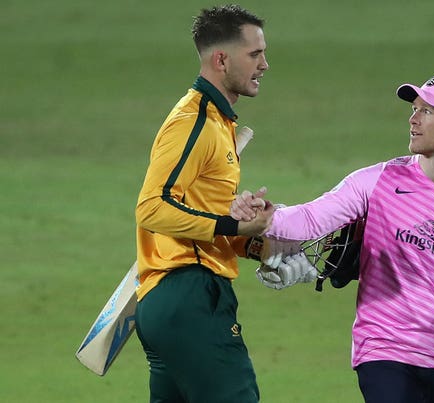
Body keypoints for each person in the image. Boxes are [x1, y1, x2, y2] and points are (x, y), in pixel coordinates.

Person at [233, 73, 434, 403]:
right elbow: (311, 218)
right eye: (414, 108)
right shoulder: (379, 180)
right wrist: (265, 217)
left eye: (428, 111)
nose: (413, 119)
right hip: (383, 351)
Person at [133, 5, 275, 402]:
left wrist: (259, 244)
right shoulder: (193, 121)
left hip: (172, 301)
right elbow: (152, 208)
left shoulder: (218, 123)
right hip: (190, 296)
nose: (265, 64)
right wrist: (233, 227)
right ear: (221, 59)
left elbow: (201, 216)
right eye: (255, 54)